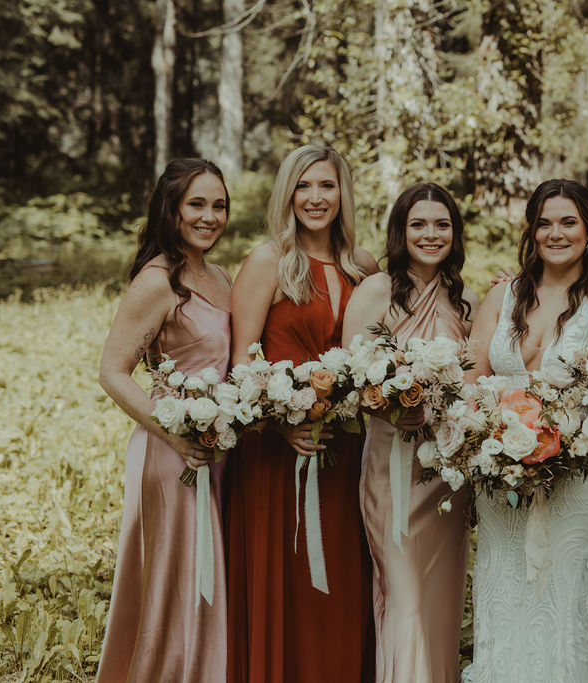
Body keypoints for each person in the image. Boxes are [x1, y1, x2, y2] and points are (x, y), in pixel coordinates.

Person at [464, 179, 588, 682]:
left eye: (568, 222)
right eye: (544, 223)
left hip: (576, 481)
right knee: (503, 597)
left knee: (562, 602)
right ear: (531, 230)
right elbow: (474, 378)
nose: (555, 233)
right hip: (501, 481)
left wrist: (567, 447)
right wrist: (492, 442)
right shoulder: (503, 294)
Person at [224, 145, 379, 682]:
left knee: (343, 585)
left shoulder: (364, 267)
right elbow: (242, 360)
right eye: (304, 186)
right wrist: (280, 420)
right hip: (278, 451)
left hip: (350, 451)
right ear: (288, 194)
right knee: (290, 587)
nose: (315, 198)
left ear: (343, 194)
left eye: (327, 186)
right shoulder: (269, 261)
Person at [97, 158, 232, 682]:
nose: (209, 216)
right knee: (178, 583)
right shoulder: (158, 281)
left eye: (218, 205)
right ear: (170, 209)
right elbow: (113, 372)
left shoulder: (219, 276)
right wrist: (174, 432)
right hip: (172, 451)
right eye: (196, 204)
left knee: (211, 579)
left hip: (220, 447)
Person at [341, 182, 479, 683]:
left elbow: (476, 382)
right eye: (418, 223)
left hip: (447, 476)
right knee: (406, 599)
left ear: (455, 233)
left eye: (442, 224)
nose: (430, 233)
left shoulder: (466, 301)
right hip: (391, 468)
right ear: (401, 230)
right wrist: (395, 408)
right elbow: (349, 379)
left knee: (440, 604)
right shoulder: (377, 289)